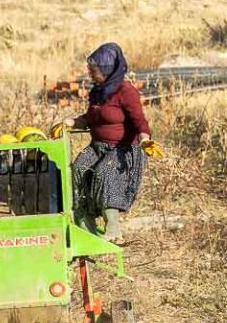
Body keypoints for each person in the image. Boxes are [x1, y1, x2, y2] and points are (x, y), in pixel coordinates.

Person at [68, 42, 159, 243]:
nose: (90, 74)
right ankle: (85, 223)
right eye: (90, 70)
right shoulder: (98, 92)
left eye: (94, 71)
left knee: (104, 173)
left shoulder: (126, 92)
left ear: (107, 70)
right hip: (98, 146)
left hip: (122, 149)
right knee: (78, 170)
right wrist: (71, 122)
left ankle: (113, 228)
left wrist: (145, 140)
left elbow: (140, 121)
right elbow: (91, 118)